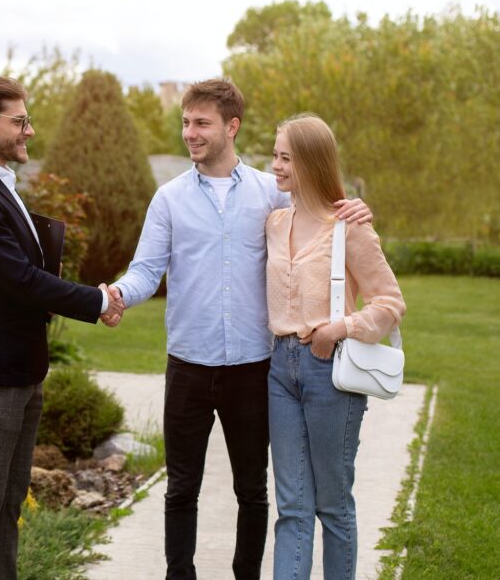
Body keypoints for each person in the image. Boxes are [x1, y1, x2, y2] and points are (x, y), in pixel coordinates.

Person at [108, 78, 371, 580]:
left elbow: (319, 218)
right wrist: (119, 294)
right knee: (180, 487)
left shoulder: (271, 195)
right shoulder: (168, 199)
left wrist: (352, 209)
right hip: (187, 364)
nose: (190, 133)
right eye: (186, 122)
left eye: (201, 123)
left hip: (254, 367)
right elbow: (146, 270)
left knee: (252, 489)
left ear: (231, 126)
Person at [0, 75, 124, 579]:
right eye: (18, 122)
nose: (30, 131)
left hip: (19, 368)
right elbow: (21, 279)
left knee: (6, 505)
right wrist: (96, 301)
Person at [265, 113, 405, 580]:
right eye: (275, 155)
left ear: (310, 162)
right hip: (280, 372)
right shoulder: (274, 221)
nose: (276, 165)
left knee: (333, 504)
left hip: (330, 371)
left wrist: (338, 327)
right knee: (292, 505)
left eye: (286, 157)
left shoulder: (349, 227)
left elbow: (390, 303)